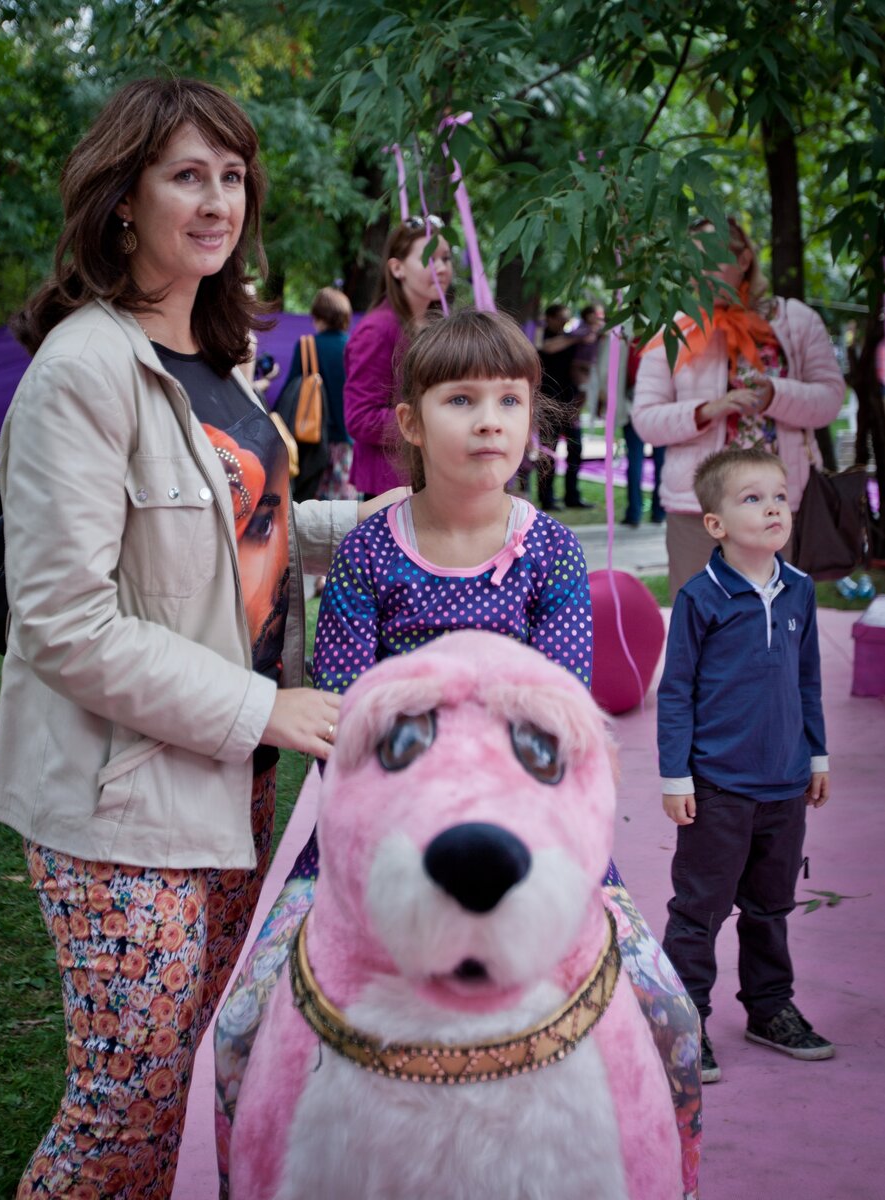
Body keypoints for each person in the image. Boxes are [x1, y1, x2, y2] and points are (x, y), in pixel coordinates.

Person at [0, 76, 400, 1197]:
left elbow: (243, 534)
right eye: (186, 176)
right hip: (121, 799)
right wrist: (266, 706)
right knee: (119, 1108)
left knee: (166, 1090)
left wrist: (394, 519)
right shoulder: (86, 369)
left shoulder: (215, 362)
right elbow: (63, 622)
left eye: (232, 176)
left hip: (230, 785)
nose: (218, 201)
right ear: (124, 198)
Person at [216, 309, 703, 1200]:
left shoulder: (548, 553)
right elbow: (346, 726)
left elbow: (556, 721)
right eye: (461, 400)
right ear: (409, 421)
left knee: (669, 1015)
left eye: (509, 401)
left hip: (536, 838)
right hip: (375, 841)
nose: (489, 421)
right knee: (241, 1028)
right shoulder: (368, 553)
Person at [658, 445, 833, 1086]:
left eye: (779, 496)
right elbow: (676, 692)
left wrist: (816, 755)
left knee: (771, 906)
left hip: (785, 784)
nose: (772, 508)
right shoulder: (700, 598)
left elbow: (807, 679)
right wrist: (676, 776)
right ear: (716, 524)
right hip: (717, 787)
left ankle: (769, 1008)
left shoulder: (800, 590)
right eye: (753, 499)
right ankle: (685, 1022)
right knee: (701, 910)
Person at [632, 216, 845, 600]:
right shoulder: (675, 328)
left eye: (711, 257)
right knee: (700, 619)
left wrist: (775, 395)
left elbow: (829, 399)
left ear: (744, 259)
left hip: (779, 505)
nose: (701, 270)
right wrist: (707, 409)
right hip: (699, 506)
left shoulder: (795, 320)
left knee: (778, 619)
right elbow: (646, 420)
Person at [344, 217, 453, 498]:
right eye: (429, 259)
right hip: (391, 488)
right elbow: (360, 418)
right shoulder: (377, 330)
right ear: (397, 268)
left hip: (432, 481)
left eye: (446, 258)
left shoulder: (437, 325)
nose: (442, 268)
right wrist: (432, 421)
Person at [279, 286, 356, 503]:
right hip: (348, 442)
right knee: (345, 510)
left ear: (318, 316)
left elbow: (290, 393)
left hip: (312, 440)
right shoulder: (354, 347)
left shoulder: (307, 346)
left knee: (311, 506)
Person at [534, 302, 596, 510]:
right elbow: (548, 347)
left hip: (570, 403)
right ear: (550, 318)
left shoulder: (570, 340)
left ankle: (572, 496)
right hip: (548, 403)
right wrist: (577, 337)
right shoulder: (542, 336)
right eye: (561, 318)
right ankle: (546, 498)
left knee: (575, 449)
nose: (565, 322)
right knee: (548, 453)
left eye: (567, 318)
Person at [620, 336, 665, 527]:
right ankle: (658, 511)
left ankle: (634, 512)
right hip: (660, 409)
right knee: (660, 462)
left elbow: (627, 375)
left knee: (635, 461)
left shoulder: (633, 343)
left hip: (636, 407)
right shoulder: (665, 341)